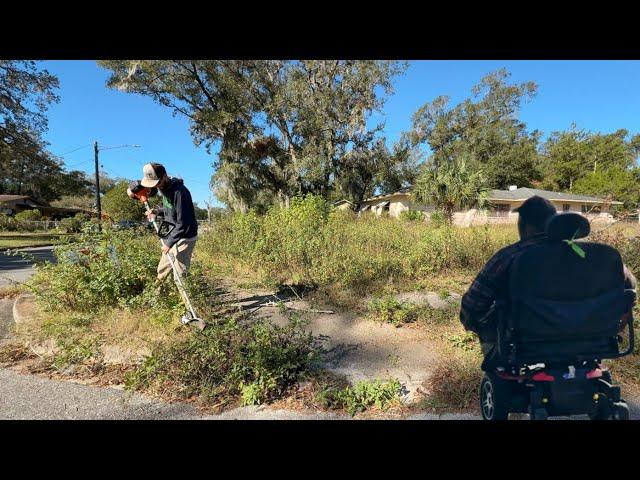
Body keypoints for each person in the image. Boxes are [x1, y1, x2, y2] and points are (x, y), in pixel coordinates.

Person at [460, 195, 636, 369]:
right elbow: (630, 287)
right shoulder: (599, 256)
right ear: (554, 221)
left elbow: (474, 302)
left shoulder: (510, 256)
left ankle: (499, 376)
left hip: (526, 342)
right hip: (593, 339)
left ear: (524, 224)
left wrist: (470, 322)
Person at [132, 162, 199, 323]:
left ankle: (190, 310)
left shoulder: (180, 192)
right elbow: (170, 210)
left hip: (184, 237)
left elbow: (182, 224)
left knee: (180, 276)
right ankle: (156, 301)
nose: (155, 187)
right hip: (173, 233)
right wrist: (156, 211)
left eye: (157, 183)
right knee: (162, 269)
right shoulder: (165, 189)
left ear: (164, 176)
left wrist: (168, 244)